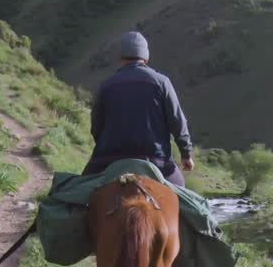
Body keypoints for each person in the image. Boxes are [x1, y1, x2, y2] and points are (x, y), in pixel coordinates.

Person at [83, 31, 194, 187]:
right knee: (183, 195)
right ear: (146, 58)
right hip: (156, 162)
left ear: (121, 57)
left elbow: (96, 127)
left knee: (80, 193)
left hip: (108, 161)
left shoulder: (106, 85)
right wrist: (186, 154)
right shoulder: (162, 82)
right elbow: (177, 121)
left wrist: (106, 149)